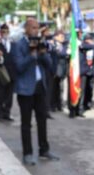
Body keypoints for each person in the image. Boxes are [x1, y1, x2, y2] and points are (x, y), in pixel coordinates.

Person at [13, 17, 59, 164]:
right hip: (25, 89)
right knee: (26, 123)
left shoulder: (41, 43)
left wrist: (43, 53)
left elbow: (50, 65)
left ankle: (44, 149)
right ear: (26, 29)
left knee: (42, 120)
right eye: (33, 27)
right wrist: (31, 56)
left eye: (37, 27)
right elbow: (19, 67)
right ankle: (28, 153)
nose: (35, 30)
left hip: (40, 87)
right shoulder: (19, 44)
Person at [0, 24, 16, 121]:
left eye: (6, 31)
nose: (5, 33)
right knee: (0, 94)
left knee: (9, 95)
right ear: (0, 32)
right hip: (2, 72)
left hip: (12, 72)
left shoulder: (12, 43)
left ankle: (6, 112)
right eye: (3, 31)